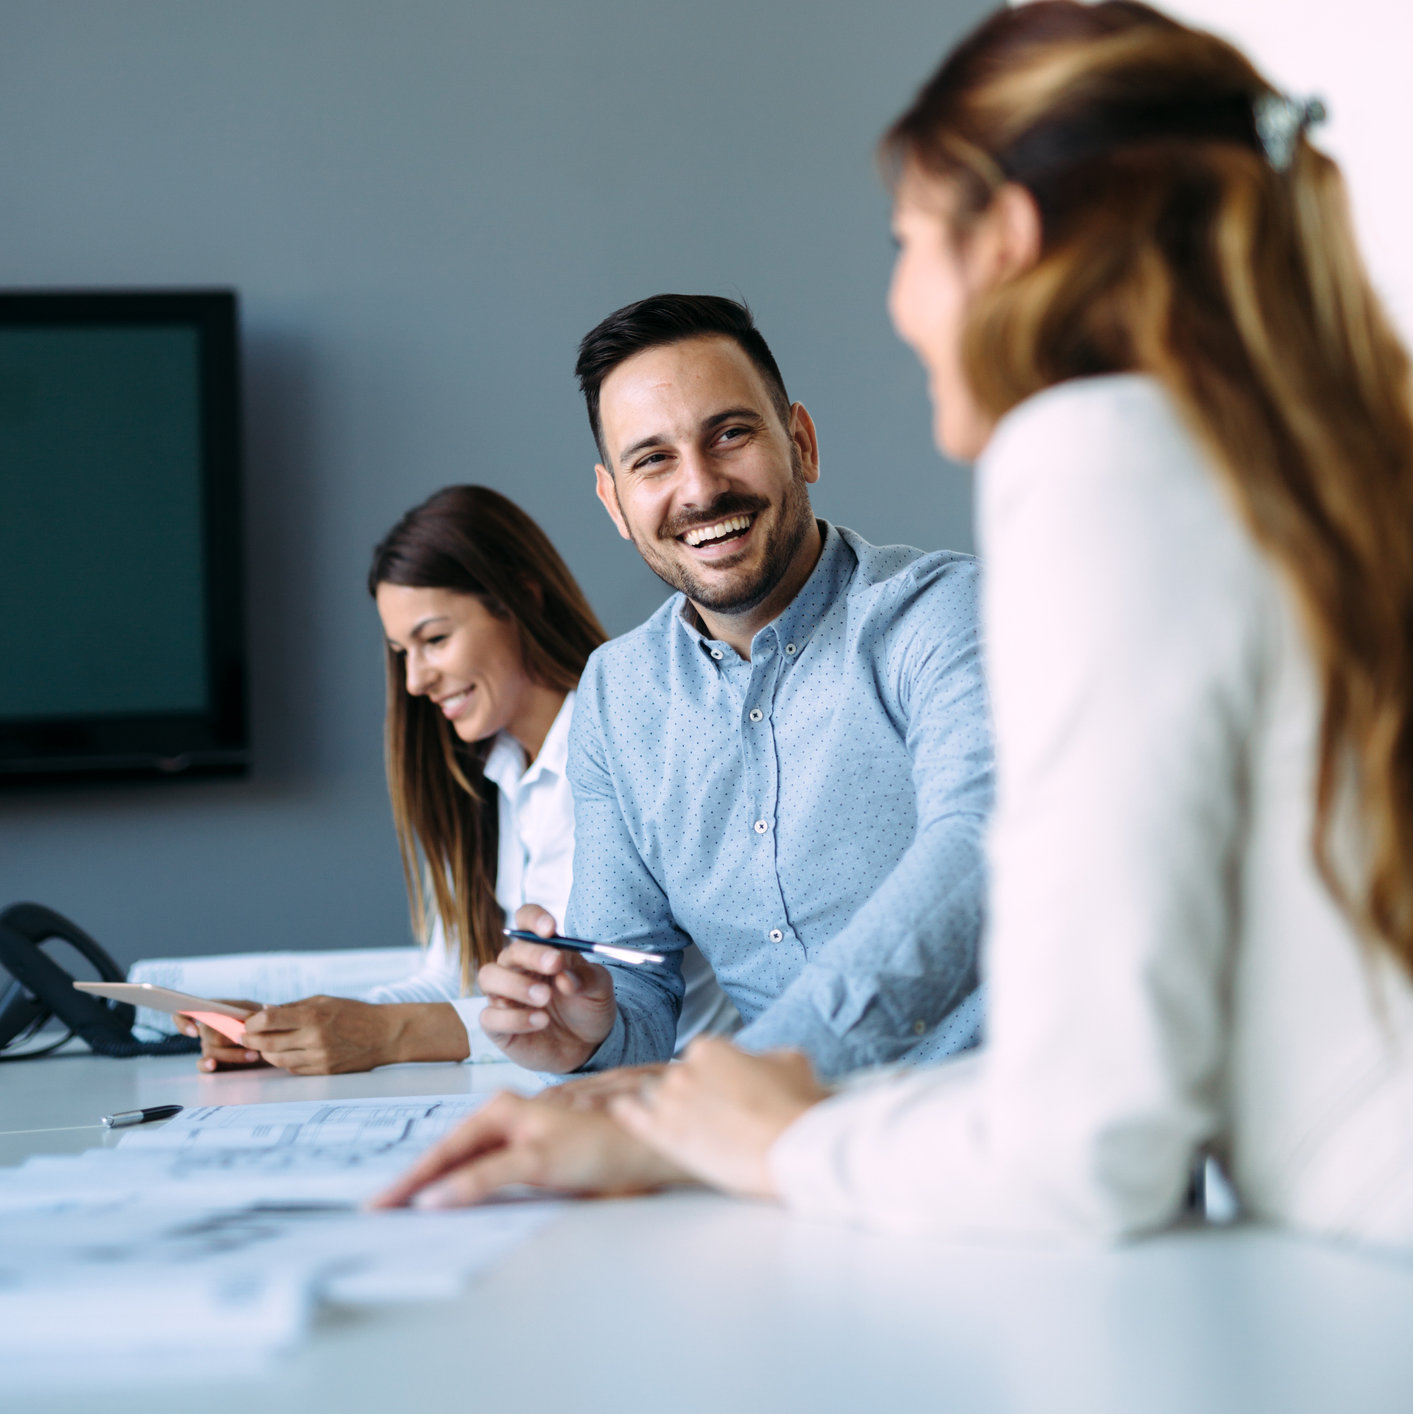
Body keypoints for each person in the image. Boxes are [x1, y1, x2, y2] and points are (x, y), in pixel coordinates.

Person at [375, 1, 1412, 1250]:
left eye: (906, 242)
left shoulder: (1088, 467)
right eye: (651, 458)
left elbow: (1089, 1135)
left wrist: (730, 1125)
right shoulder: (1290, 456)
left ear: (1004, 243)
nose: (901, 298)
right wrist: (625, 1050)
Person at [474, 294, 994, 1081]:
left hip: (1007, 1131)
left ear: (802, 445)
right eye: (652, 459)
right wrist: (588, 1033)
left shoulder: (942, 614)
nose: (702, 488)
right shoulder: (616, 696)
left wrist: (756, 1071)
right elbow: (638, 986)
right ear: (615, 503)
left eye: (730, 434)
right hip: (786, 1153)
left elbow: (981, 847)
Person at [183, 485, 736, 1074]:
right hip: (599, 1091)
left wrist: (384, 1034)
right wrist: (292, 1027)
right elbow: (450, 980)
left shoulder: (624, 753)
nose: (416, 680)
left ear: (521, 600)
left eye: (435, 640)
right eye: (402, 652)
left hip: (690, 1086)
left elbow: (559, 1011)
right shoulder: (491, 772)